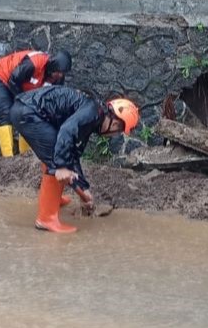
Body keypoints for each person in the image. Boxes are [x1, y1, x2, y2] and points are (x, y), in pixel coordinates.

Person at [10, 86, 139, 234]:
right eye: (117, 132)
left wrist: (83, 189)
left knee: (59, 156)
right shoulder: (91, 113)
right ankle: (46, 219)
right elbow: (66, 130)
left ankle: (53, 200)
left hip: (27, 108)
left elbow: (73, 154)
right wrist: (61, 167)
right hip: (28, 112)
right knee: (57, 162)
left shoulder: (94, 116)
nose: (113, 135)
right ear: (115, 124)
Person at [0, 49, 72, 157]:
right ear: (52, 66)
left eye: (63, 73)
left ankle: (24, 156)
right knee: (6, 111)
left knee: (27, 115)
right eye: (58, 71)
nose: (60, 75)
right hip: (0, 77)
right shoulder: (34, 63)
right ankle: (8, 157)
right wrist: (24, 101)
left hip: (20, 86)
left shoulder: (58, 80)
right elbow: (13, 80)